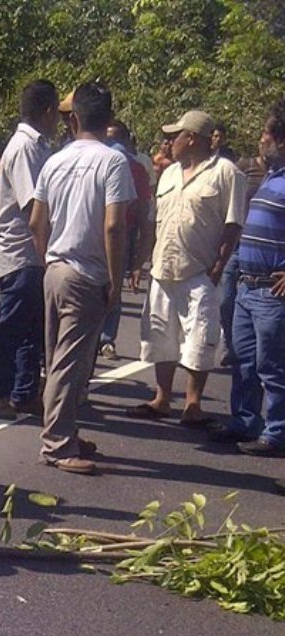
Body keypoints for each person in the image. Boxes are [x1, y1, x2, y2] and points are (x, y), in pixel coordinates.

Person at [28, 82, 135, 474]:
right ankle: (56, 444)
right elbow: (113, 227)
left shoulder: (55, 161)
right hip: (87, 273)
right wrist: (115, 280)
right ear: (108, 120)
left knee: (59, 358)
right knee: (70, 365)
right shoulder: (113, 163)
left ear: (73, 119)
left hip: (55, 269)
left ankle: (65, 432)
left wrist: (47, 257)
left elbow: (37, 220)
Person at [128, 111, 245, 432]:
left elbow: (233, 224)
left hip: (199, 272)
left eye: (174, 136)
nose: (169, 142)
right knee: (160, 335)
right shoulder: (167, 175)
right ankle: (162, 398)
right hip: (163, 268)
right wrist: (140, 261)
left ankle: (193, 404)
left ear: (191, 138)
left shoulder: (226, 173)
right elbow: (152, 223)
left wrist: (219, 266)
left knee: (199, 337)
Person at [0, 80, 59, 420]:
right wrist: (47, 252)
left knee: (31, 328)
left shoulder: (39, 145)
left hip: (30, 253)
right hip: (22, 253)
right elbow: (33, 210)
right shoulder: (26, 147)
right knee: (11, 327)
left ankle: (24, 392)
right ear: (46, 111)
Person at [228, 99, 285, 457]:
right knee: (243, 359)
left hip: (270, 293)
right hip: (247, 287)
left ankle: (277, 432)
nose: (261, 139)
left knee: (272, 365)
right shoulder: (271, 178)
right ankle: (246, 421)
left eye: (266, 134)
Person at [98, 120, 152, 360]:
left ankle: (107, 339)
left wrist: (139, 260)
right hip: (93, 230)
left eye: (117, 139)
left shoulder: (136, 169)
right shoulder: (95, 162)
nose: (113, 144)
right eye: (108, 139)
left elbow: (143, 212)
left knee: (114, 285)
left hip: (123, 232)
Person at [220, 151, 268, 366]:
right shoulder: (244, 166)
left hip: (266, 254)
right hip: (237, 245)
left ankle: (256, 351)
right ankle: (231, 346)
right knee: (225, 300)